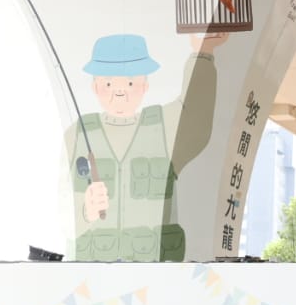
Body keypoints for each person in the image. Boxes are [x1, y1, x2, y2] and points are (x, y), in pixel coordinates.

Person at [69, 30, 227, 262]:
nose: (120, 92)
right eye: (109, 83)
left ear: (144, 85)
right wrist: (86, 211)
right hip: (95, 273)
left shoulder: (164, 127)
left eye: (130, 82)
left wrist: (202, 54)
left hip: (154, 272)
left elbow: (195, 115)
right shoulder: (77, 135)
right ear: (95, 86)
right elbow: (61, 206)